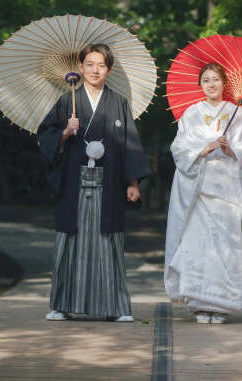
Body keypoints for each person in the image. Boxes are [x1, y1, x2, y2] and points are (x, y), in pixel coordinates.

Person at [37, 43, 151, 322]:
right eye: (89, 64)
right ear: (80, 68)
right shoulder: (67, 101)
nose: (95, 70)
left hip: (109, 183)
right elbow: (45, 135)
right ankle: (60, 305)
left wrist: (133, 183)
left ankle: (117, 307)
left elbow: (129, 147)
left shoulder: (119, 103)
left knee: (109, 241)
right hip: (74, 183)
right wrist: (66, 131)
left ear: (108, 70)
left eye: (101, 65)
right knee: (69, 240)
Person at [164, 62, 242, 323]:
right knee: (198, 245)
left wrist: (232, 149)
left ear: (224, 85)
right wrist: (202, 148)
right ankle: (199, 303)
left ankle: (221, 304)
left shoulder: (237, 113)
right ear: (200, 85)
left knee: (225, 246)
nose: (211, 84)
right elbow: (179, 148)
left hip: (228, 191)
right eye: (206, 80)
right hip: (198, 189)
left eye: (216, 80)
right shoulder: (191, 114)